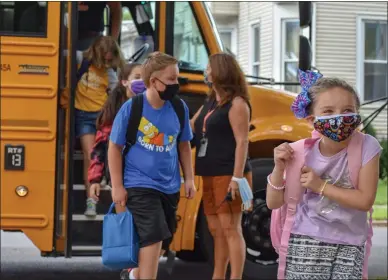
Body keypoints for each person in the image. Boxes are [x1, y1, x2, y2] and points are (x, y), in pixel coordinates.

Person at [266, 71, 382, 279]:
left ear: (357, 114)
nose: (339, 117)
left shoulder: (367, 146)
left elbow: (365, 200)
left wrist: (319, 186)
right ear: (312, 120)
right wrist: (278, 169)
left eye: (347, 110)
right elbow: (274, 203)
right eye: (328, 111)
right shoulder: (299, 153)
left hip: (351, 242)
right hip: (306, 239)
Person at [108, 52, 196, 280]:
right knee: (154, 234)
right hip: (139, 184)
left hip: (169, 186)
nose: (177, 84)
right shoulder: (132, 108)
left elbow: (184, 145)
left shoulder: (179, 108)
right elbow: (114, 148)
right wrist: (117, 186)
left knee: (164, 238)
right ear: (154, 82)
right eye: (172, 79)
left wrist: (190, 179)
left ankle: (134, 274)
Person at [190, 53, 251, 280]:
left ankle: (235, 277)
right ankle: (218, 275)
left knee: (231, 228)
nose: (205, 73)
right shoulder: (212, 101)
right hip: (208, 171)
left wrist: (237, 177)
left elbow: (242, 141)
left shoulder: (237, 103)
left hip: (228, 173)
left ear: (221, 72)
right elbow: (192, 125)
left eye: (208, 68)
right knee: (216, 230)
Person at [75, 35, 125, 216]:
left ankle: (102, 182)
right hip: (83, 116)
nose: (106, 62)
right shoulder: (81, 60)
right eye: (103, 58)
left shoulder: (110, 72)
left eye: (110, 59)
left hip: (102, 117)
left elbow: (114, 94)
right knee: (90, 156)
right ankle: (91, 201)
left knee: (107, 153)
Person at [87, 63, 143, 215]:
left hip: (146, 176)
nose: (142, 82)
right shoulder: (114, 112)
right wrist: (95, 180)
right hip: (121, 177)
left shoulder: (153, 106)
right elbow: (99, 148)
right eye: (137, 78)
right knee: (126, 222)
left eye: (146, 78)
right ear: (124, 81)